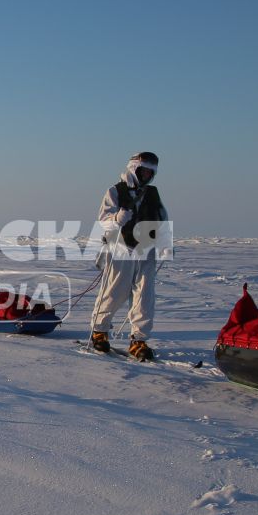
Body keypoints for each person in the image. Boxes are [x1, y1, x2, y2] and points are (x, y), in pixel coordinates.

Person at [90, 152, 167, 361]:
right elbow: (103, 221)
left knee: (144, 297)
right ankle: (99, 332)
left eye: (150, 172)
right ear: (134, 168)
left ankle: (138, 340)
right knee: (113, 293)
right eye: (144, 170)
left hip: (146, 250)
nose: (147, 175)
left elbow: (161, 217)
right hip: (120, 248)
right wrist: (116, 218)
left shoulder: (153, 193)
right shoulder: (115, 191)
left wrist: (165, 242)